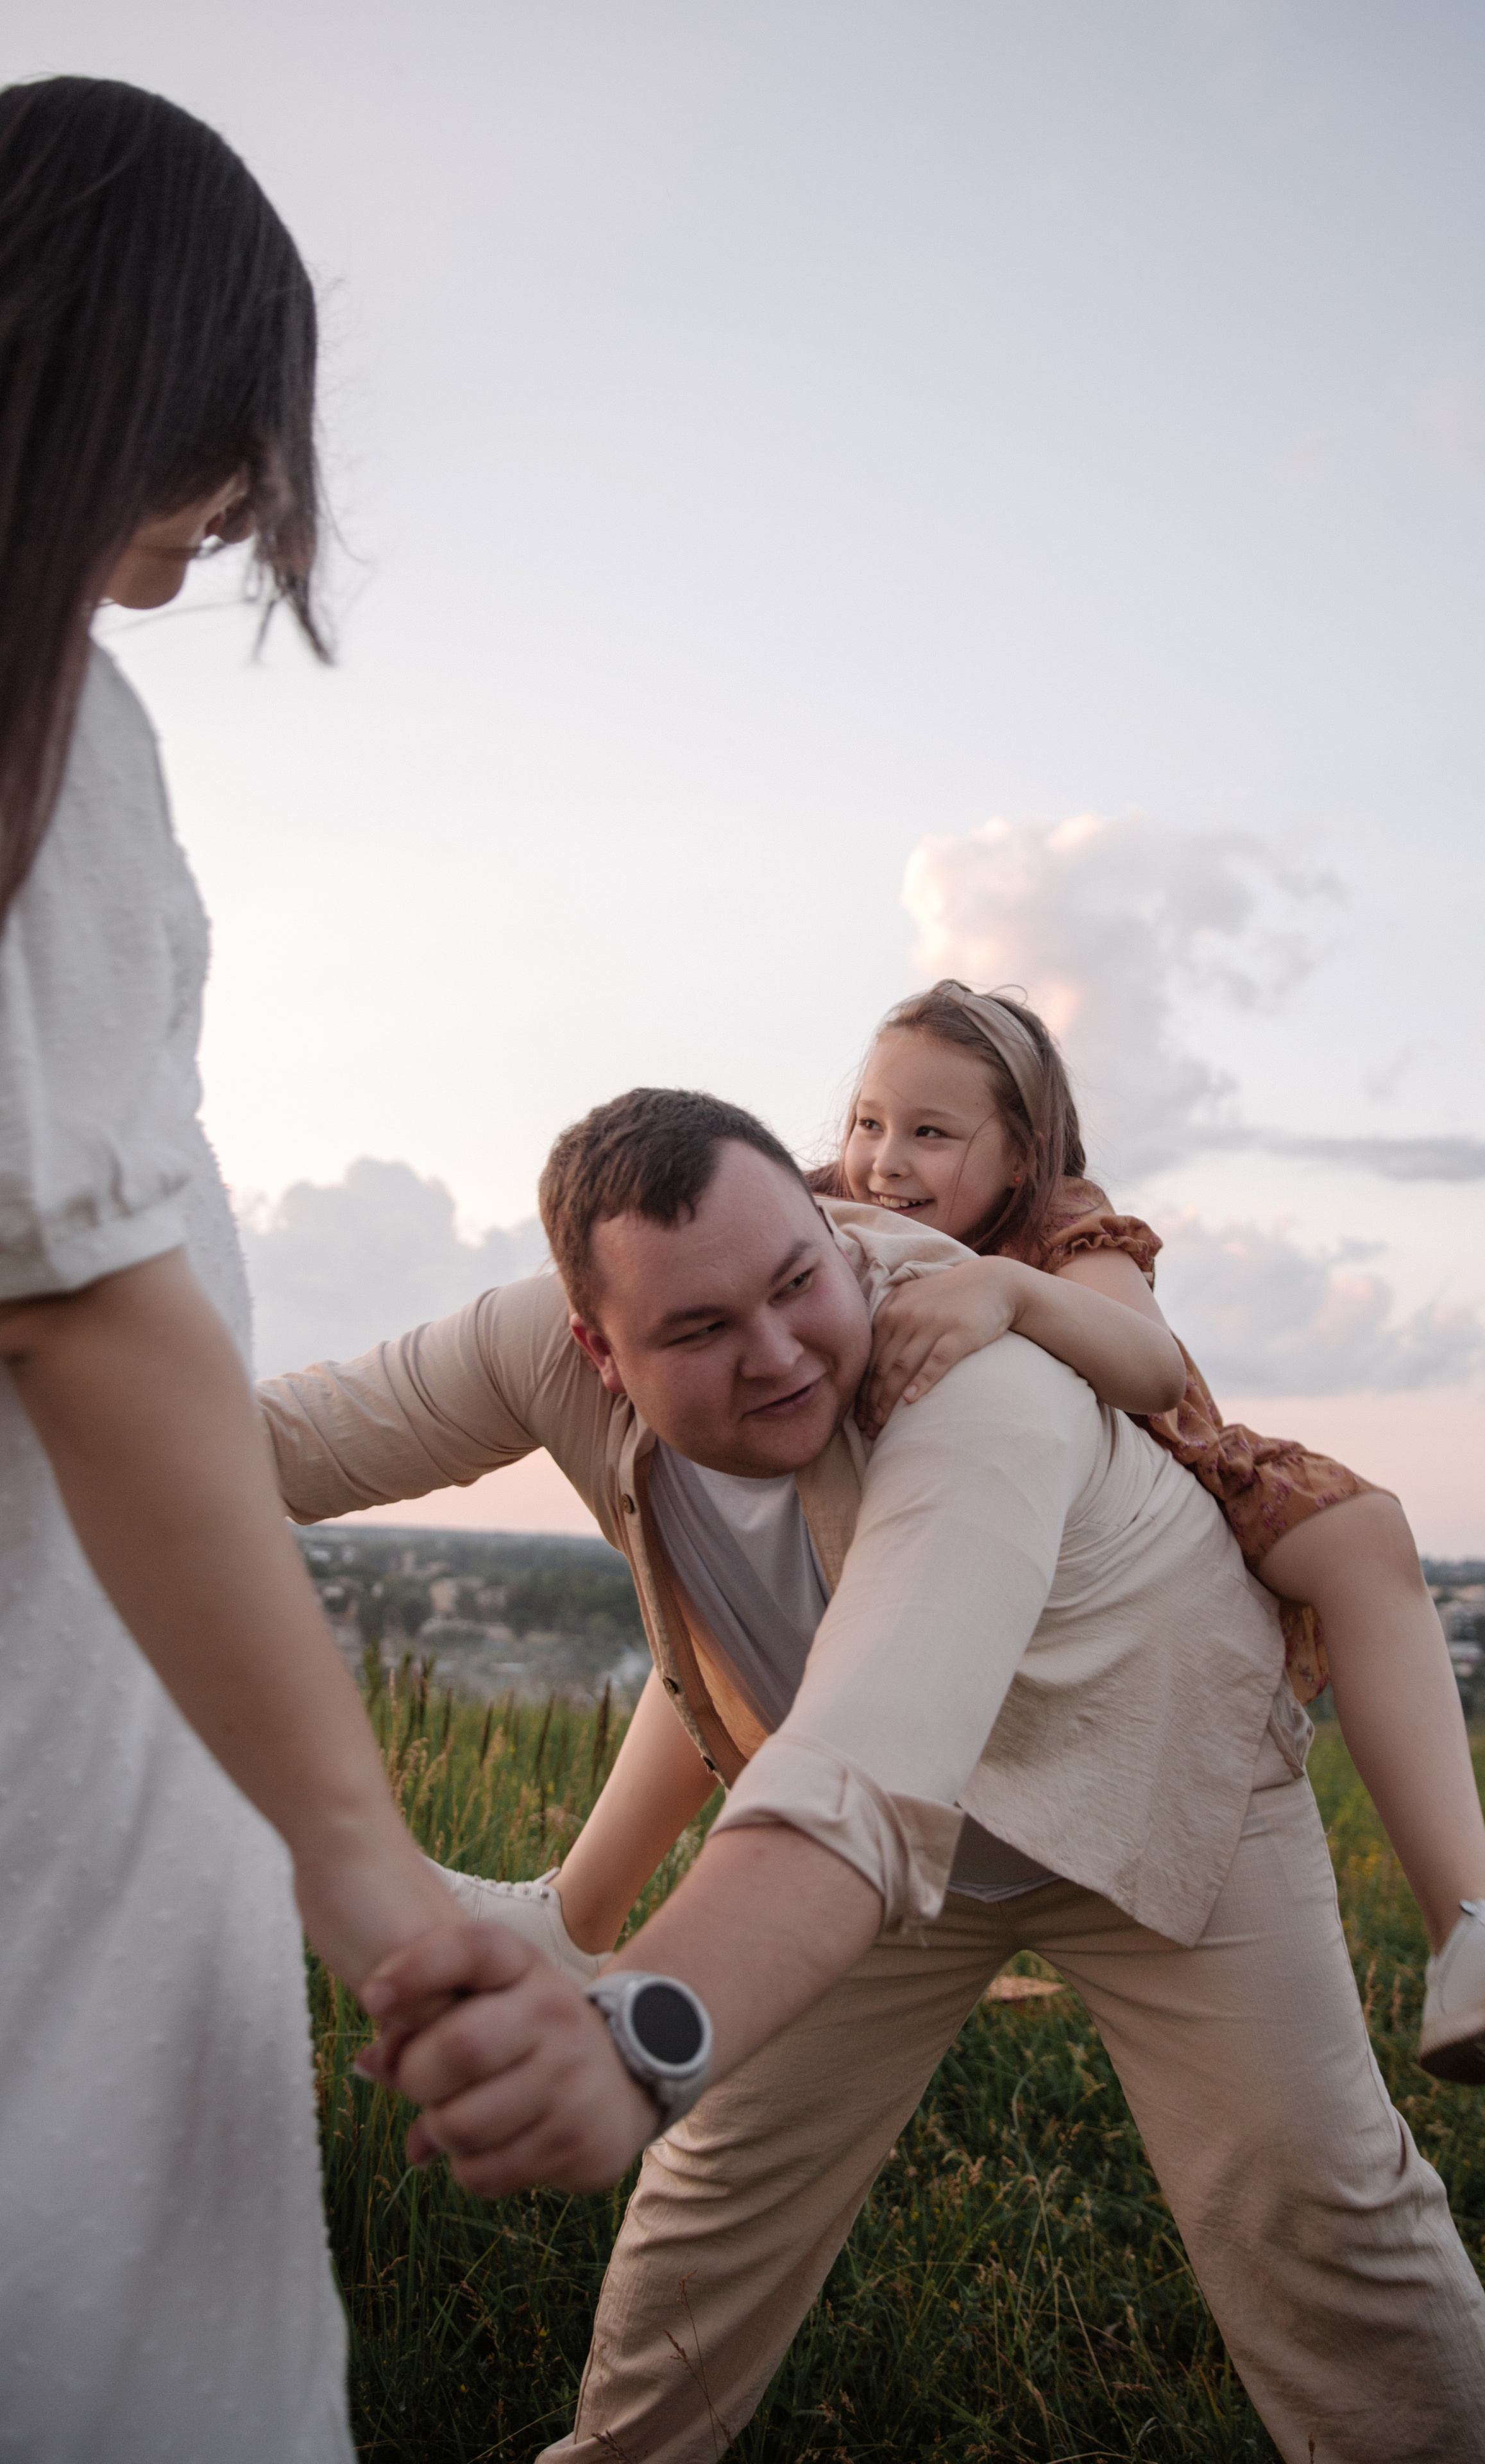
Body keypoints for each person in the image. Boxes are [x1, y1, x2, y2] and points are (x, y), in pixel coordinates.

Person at [264, 1088, 1485, 2464]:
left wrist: (629, 2035)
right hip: (866, 1853)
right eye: (696, 1331)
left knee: (1311, 2205)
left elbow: (868, 1755)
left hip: (1156, 1788)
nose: (777, 1354)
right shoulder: (530, 1345)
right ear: (596, 1347)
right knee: (718, 2187)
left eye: (798, 1281)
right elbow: (266, 1446)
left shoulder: (980, 1389)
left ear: (828, 1229)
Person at [446, 983, 1485, 2087]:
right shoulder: (814, 1218)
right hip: (905, 1568)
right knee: (721, 1632)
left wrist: (1010, 1292)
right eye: (868, 1122)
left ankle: (1470, 1929)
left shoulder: (1064, 1231)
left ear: (1023, 1151)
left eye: (931, 1132)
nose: (885, 1159)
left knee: (1365, 1537)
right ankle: (576, 1916)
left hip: (1132, 1534)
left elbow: (1150, 1364)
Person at [0, 78, 539, 2460]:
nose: (242, 514)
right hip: (63, 1878)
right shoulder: (39, 712)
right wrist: (367, 1857)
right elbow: (84, 1310)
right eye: (246, 440)